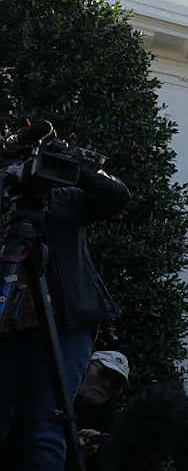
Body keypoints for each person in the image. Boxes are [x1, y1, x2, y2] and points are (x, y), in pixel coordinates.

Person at [0, 147, 129, 471]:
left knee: (46, 426)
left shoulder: (62, 199)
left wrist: (75, 166)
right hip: (8, 325)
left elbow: (115, 195)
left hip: (64, 323)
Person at [74, 350, 130, 471]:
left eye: (116, 384)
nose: (107, 385)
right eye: (103, 373)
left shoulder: (106, 428)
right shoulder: (50, 396)